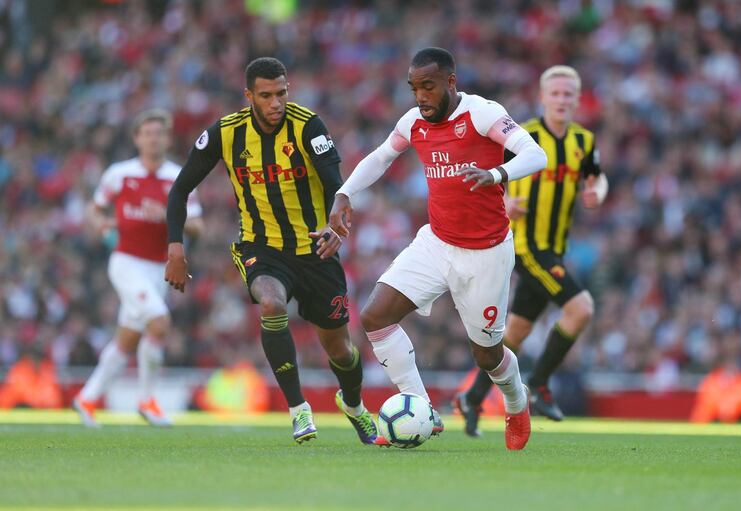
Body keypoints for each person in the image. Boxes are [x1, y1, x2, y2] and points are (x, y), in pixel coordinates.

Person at [330, 47, 548, 450]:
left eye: (428, 86)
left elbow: (537, 154)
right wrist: (345, 192)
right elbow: (380, 158)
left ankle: (517, 402)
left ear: (450, 82)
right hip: (437, 241)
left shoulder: (482, 113)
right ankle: (423, 411)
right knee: (376, 315)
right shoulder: (413, 121)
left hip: (486, 252)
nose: (420, 96)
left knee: (487, 357)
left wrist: (496, 172)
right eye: (414, 88)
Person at [165, 57, 377, 445]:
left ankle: (354, 406)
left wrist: (334, 227)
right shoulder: (225, 133)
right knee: (271, 304)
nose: (276, 102)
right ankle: (299, 411)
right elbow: (180, 189)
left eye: (281, 93)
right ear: (249, 96)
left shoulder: (308, 126)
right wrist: (175, 248)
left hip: (316, 248)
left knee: (341, 350)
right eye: (266, 95)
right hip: (261, 247)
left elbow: (336, 185)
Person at [454, 65, 608, 435]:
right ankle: (538, 385)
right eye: (554, 93)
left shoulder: (584, 142)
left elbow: (597, 177)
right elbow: (488, 176)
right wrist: (504, 202)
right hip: (525, 245)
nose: (561, 100)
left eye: (568, 94)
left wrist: (596, 193)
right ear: (543, 97)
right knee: (580, 308)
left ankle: (471, 398)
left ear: (577, 98)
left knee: (517, 332)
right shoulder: (522, 135)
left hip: (554, 248)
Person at [73, 109, 204, 428]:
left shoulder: (179, 177)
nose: (153, 138)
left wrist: (169, 216)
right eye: (147, 133)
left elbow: (198, 226)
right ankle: (147, 400)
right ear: (137, 138)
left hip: (159, 269)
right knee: (159, 323)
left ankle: (87, 397)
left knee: (128, 339)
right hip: (126, 261)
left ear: (167, 138)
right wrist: (101, 225)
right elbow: (94, 209)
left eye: (159, 133)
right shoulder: (119, 174)